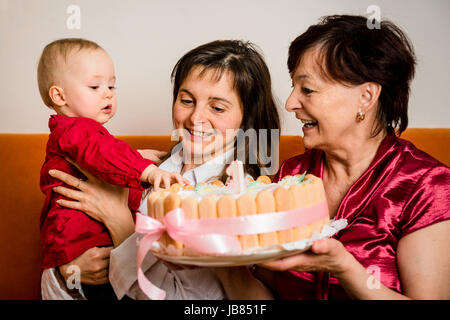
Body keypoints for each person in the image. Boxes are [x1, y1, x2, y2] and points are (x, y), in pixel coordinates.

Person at [215, 15, 450, 300]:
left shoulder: (427, 186)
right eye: (293, 87)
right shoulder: (290, 176)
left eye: (307, 89)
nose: (290, 103)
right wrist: (223, 264)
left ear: (366, 96)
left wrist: (343, 267)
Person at [45, 39, 281, 299]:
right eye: (187, 100)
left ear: (246, 117)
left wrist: (121, 224)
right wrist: (68, 270)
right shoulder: (148, 166)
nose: (196, 118)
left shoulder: (237, 197)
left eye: (217, 107)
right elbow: (61, 235)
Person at [37, 38, 187, 299]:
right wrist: (146, 170)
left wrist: (136, 156)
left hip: (83, 247)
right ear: (59, 95)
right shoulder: (76, 129)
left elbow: (96, 157)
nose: (107, 93)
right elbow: (101, 153)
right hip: (83, 247)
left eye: (111, 86)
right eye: (95, 86)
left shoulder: (75, 134)